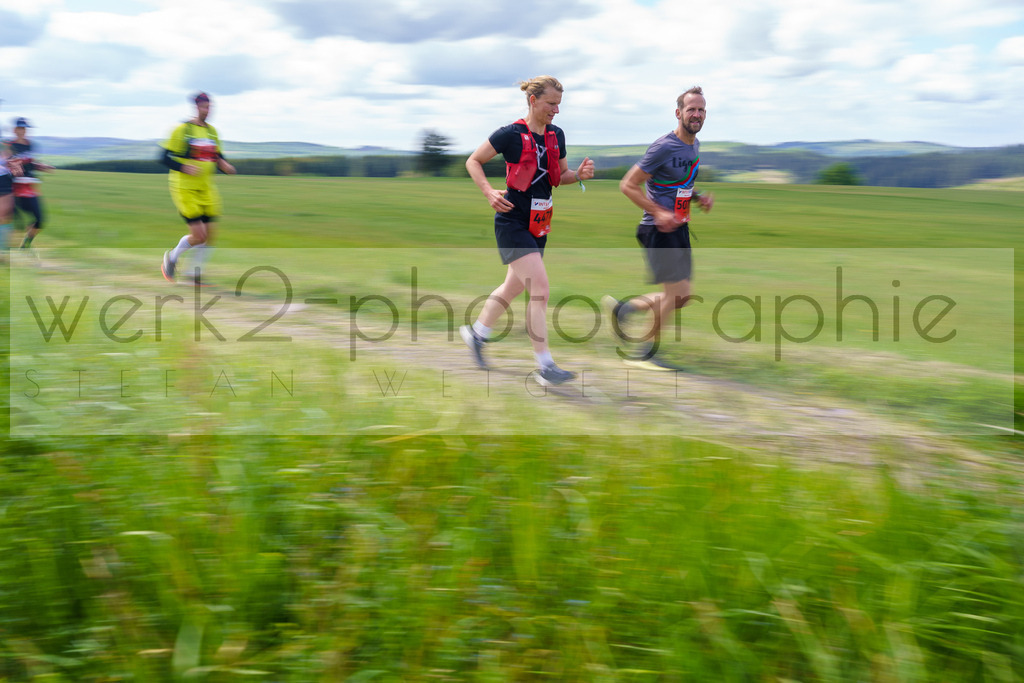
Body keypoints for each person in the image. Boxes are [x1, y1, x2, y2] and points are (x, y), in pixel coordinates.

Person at [461, 75, 594, 387]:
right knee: (541, 290)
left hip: (539, 224)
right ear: (533, 101)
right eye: (551, 104)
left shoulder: (556, 135)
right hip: (512, 221)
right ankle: (545, 366)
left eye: (559, 105)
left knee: (512, 288)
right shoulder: (510, 134)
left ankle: (477, 334)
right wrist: (488, 192)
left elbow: (560, 176)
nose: (556, 111)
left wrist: (580, 174)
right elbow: (473, 161)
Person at [603, 86, 714, 371]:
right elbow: (628, 184)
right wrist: (658, 212)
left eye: (701, 109)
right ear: (679, 113)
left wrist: (697, 197)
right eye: (691, 109)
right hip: (656, 229)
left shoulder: (693, 146)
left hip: (679, 228)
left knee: (682, 296)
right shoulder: (663, 146)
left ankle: (625, 309)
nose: (696, 114)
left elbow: (679, 184)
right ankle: (645, 352)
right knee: (676, 293)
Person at [159, 92, 235, 283]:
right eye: (204, 107)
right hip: (185, 188)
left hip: (207, 188)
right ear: (196, 107)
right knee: (199, 235)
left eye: (210, 107)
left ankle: (193, 275)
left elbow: (216, 156)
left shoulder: (212, 132)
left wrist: (225, 165)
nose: (208, 111)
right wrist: (183, 167)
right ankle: (171, 259)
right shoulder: (183, 130)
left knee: (210, 235)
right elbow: (163, 157)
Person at [7, 117, 56, 248]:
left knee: (40, 220)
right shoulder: (9, 146)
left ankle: (25, 245)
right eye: (20, 128)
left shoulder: (30, 145)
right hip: (14, 189)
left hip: (30, 187)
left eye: (25, 128)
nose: (23, 131)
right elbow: (6, 164)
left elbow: (31, 163)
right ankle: (7, 248)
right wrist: (12, 166)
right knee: (13, 223)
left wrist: (43, 166)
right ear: (15, 130)